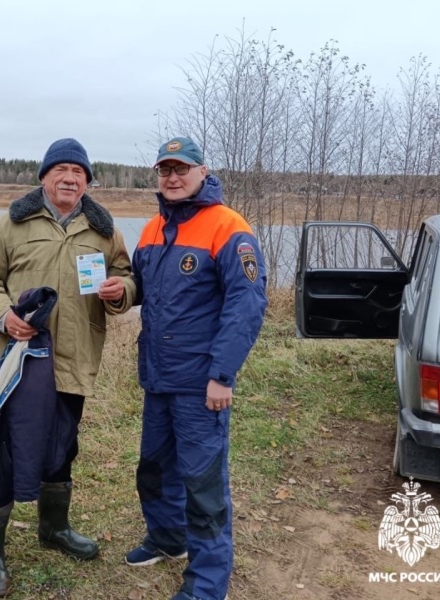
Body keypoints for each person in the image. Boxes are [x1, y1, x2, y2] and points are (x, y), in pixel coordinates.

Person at [0, 137, 136, 597]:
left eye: (78, 172)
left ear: (87, 181)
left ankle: (53, 529)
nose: (69, 178)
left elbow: (128, 276)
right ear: (43, 177)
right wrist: (4, 315)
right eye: (60, 170)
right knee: (4, 451)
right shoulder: (10, 224)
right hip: (20, 363)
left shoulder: (103, 230)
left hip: (76, 359)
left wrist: (121, 291)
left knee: (62, 446)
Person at [125, 136, 268, 600]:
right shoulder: (151, 230)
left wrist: (221, 375)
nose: (172, 177)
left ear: (202, 172)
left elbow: (246, 304)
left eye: (181, 169)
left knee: (203, 486)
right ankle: (169, 540)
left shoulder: (228, 227)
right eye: (165, 170)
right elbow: (147, 287)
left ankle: (208, 586)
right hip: (158, 377)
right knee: (154, 468)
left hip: (200, 384)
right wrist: (120, 290)